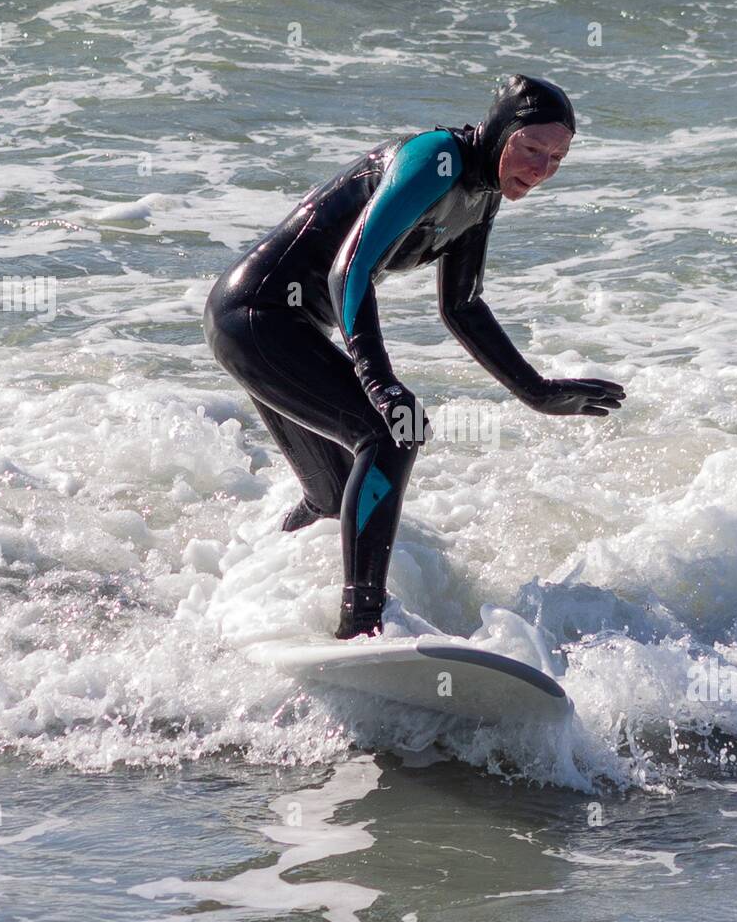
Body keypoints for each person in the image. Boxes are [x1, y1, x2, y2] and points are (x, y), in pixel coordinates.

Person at [204, 74, 626, 639]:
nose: (541, 168)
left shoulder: (482, 194)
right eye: (531, 148)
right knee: (391, 432)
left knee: (332, 497)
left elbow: (463, 306)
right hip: (256, 316)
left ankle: (251, 596)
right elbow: (350, 270)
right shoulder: (435, 159)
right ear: (500, 131)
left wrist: (537, 391)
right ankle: (361, 624)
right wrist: (379, 382)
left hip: (282, 328)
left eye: (557, 158)